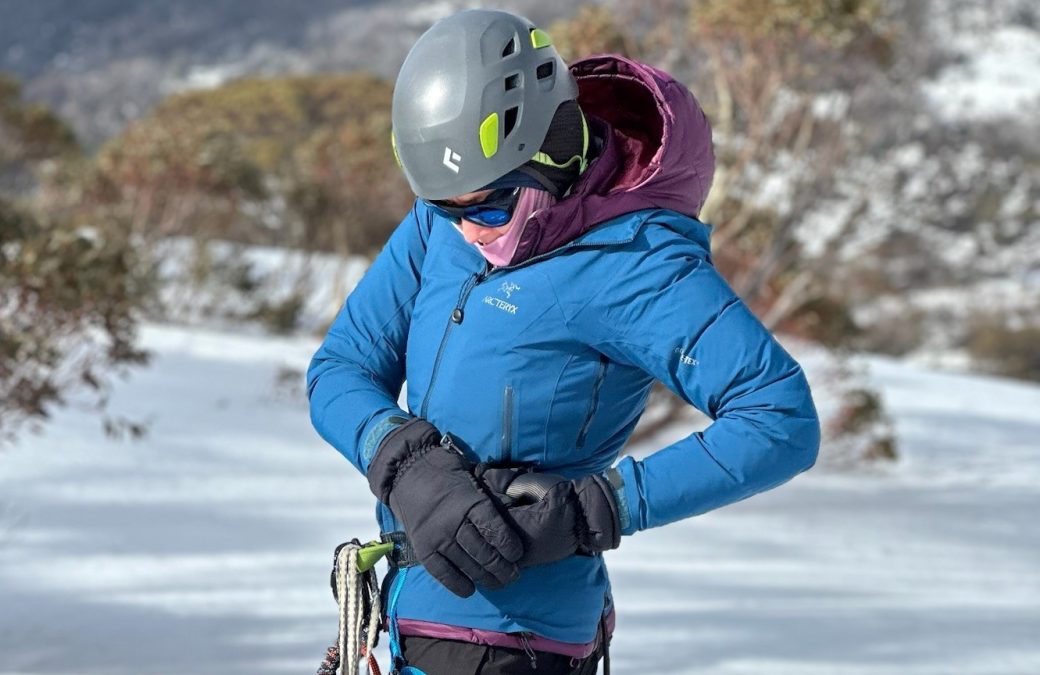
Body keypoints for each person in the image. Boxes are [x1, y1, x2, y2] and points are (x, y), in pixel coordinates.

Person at [307, 9, 820, 675]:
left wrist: (595, 508)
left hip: (519, 648)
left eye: (488, 208)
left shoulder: (635, 260)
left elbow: (780, 418)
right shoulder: (446, 224)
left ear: (548, 153)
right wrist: (403, 460)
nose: (467, 233)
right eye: (445, 208)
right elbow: (340, 367)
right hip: (403, 624)